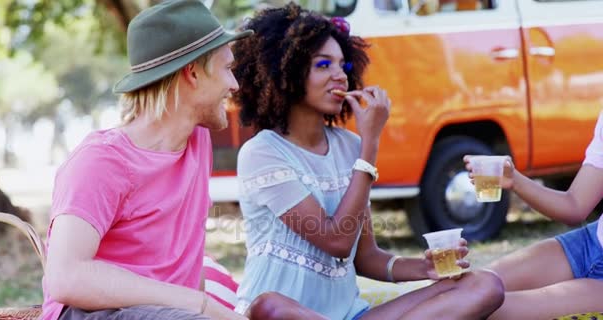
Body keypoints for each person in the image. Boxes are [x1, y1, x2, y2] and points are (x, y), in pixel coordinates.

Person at [230, 3, 504, 319]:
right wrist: (371, 144)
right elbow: (337, 241)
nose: (339, 76)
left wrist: (423, 268)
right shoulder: (263, 152)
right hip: (285, 315)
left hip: (350, 315)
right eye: (323, 65)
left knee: (484, 284)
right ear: (284, 72)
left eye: (343, 66)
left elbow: (365, 256)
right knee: (270, 306)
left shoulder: (349, 146)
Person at [40, 1, 253, 319]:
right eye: (227, 69)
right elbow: (65, 278)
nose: (234, 85)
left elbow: (184, 267)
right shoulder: (102, 162)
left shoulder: (197, 141)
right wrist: (199, 306)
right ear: (192, 73)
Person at [464, 113, 603, 319]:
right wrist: (515, 181)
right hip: (589, 244)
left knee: (484, 310)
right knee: (468, 292)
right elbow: (574, 205)